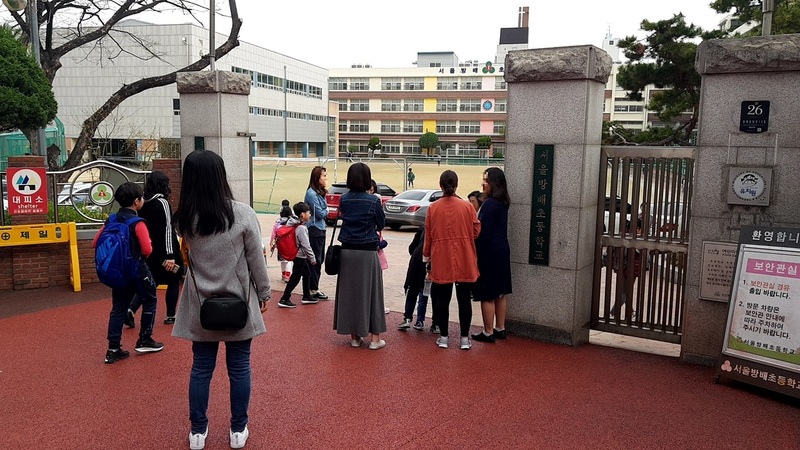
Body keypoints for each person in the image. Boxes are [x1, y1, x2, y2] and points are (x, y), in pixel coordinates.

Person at [172, 150, 271, 450]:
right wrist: (264, 292)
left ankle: (198, 432)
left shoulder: (185, 219)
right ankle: (238, 429)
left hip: (201, 304)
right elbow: (256, 260)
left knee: (201, 368)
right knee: (239, 367)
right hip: (238, 301)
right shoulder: (242, 214)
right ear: (220, 176)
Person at [93, 182, 164, 363]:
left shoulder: (111, 219)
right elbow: (147, 249)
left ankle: (113, 349)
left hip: (118, 272)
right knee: (150, 298)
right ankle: (145, 339)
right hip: (136, 269)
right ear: (136, 201)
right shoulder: (137, 222)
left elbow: (95, 242)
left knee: (118, 308)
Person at [423, 170, 480, 350]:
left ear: (441, 186)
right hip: (464, 256)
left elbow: (428, 236)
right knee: (464, 299)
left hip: (441, 257)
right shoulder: (467, 207)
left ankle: (444, 336)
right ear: (456, 185)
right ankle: (464, 338)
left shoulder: (433, 208)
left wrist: (426, 257)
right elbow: (476, 231)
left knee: (442, 298)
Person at [333, 163, 387, 350]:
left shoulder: (344, 199)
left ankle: (355, 337)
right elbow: (381, 223)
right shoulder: (373, 200)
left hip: (347, 251)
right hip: (367, 252)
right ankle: (374, 338)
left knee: (351, 295)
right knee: (373, 294)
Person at [127, 171, 183, 326]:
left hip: (150, 250)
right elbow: (167, 229)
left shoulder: (143, 203)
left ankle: (131, 309)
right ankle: (171, 315)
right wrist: (170, 254)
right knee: (174, 279)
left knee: (153, 280)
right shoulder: (162, 203)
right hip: (166, 249)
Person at [471, 168, 512, 343]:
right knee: (500, 293)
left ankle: (488, 332)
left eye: (486, 181)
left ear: (494, 183)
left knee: (487, 293)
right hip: (502, 250)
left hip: (488, 252)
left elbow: (482, 231)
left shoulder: (489, 204)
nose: (483, 183)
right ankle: (500, 328)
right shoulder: (503, 202)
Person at [278, 202, 318, 308]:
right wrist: (312, 258)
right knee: (295, 277)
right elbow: (306, 245)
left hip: (298, 255)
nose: (310, 215)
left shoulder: (294, 224)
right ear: (302, 214)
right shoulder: (301, 228)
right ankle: (285, 298)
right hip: (300, 256)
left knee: (307, 273)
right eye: (308, 213)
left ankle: (306, 295)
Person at [398, 224, 433, 331]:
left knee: (412, 290)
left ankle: (407, 318)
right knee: (425, 293)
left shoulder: (424, 227)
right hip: (432, 262)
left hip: (417, 260)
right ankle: (421, 320)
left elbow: (412, 247)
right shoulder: (441, 228)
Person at [304, 166, 329, 301]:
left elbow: (323, 211)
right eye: (323, 176)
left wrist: (325, 211)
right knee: (314, 260)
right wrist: (327, 211)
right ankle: (311, 288)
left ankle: (314, 287)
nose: (325, 178)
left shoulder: (320, 193)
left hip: (321, 228)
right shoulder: (312, 194)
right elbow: (321, 213)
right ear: (317, 178)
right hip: (314, 229)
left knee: (320, 259)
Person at [269, 200, 294, 283]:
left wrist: (271, 243)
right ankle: (288, 276)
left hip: (280, 244)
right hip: (289, 244)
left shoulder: (278, 222)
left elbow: (273, 233)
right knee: (289, 261)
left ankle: (283, 275)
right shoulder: (292, 223)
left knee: (282, 260)